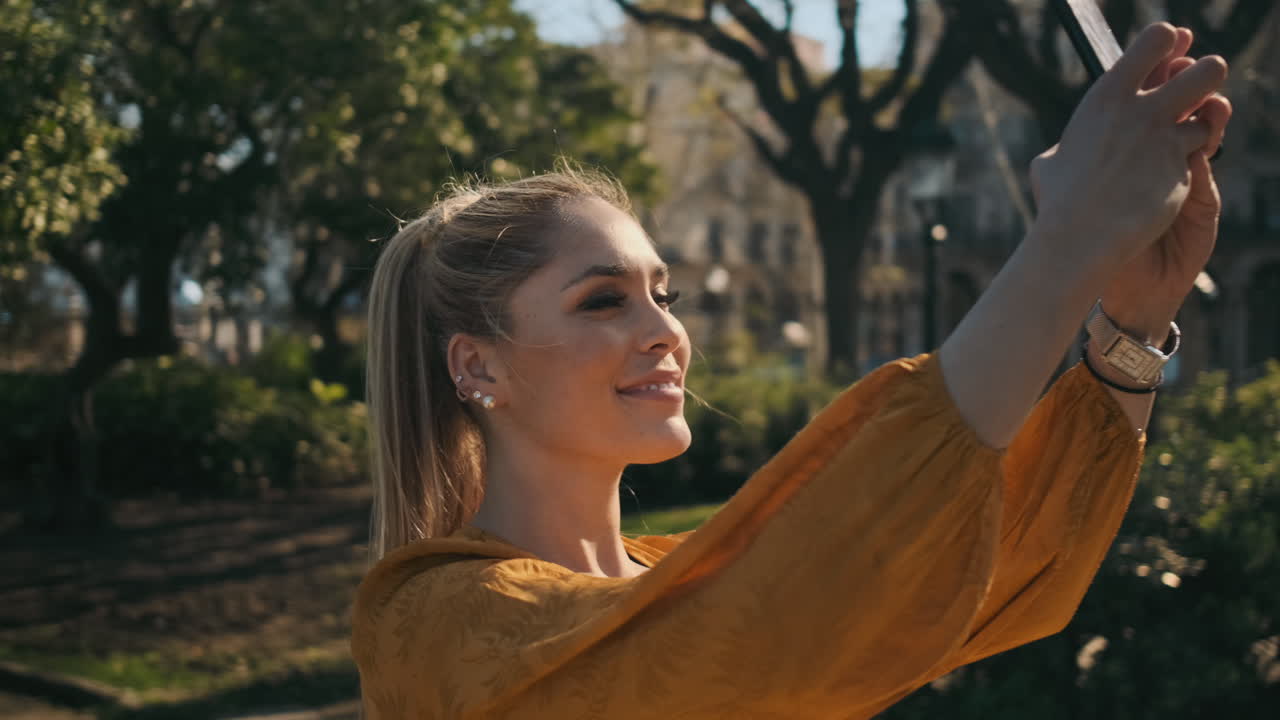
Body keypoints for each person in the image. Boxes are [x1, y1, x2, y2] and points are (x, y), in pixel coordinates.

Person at [350, 23, 1230, 719]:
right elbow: (766, 626)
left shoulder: (686, 572)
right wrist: (1070, 238)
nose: (666, 331)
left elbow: (998, 570)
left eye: (665, 294)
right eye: (603, 300)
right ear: (477, 363)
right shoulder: (429, 620)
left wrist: (1132, 324)